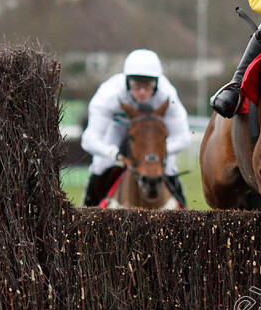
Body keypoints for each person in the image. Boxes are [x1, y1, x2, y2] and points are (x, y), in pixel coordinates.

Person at [81, 49, 192, 207]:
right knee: (101, 164)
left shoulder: (168, 95)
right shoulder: (108, 95)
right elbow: (89, 140)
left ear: (157, 83)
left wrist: (157, 150)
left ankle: (183, 209)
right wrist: (113, 153)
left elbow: (183, 138)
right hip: (117, 129)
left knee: (169, 167)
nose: (141, 91)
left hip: (152, 135)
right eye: (136, 84)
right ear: (126, 81)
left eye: (148, 85)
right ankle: (87, 210)